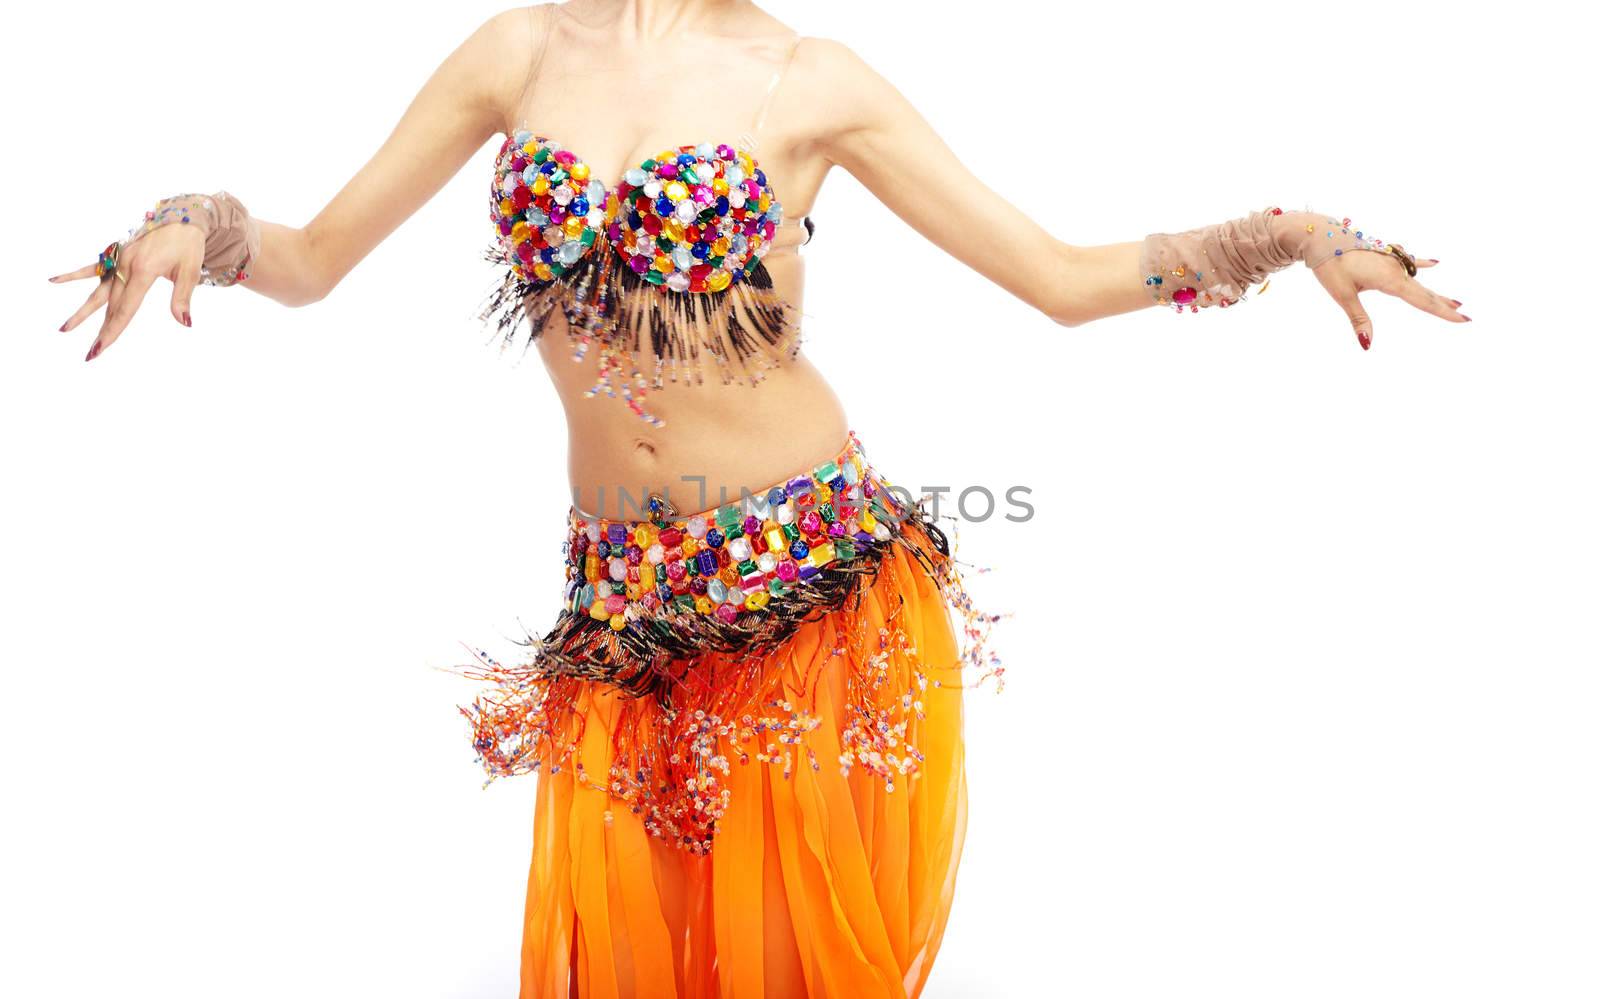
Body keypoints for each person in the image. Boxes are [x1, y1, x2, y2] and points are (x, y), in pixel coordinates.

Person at [47, 1, 1466, 995]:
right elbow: (308, 258)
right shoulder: (513, 50)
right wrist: (200, 225)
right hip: (623, 608)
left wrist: (1293, 236)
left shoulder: (813, 77)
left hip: (811, 595)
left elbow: (1061, 279)